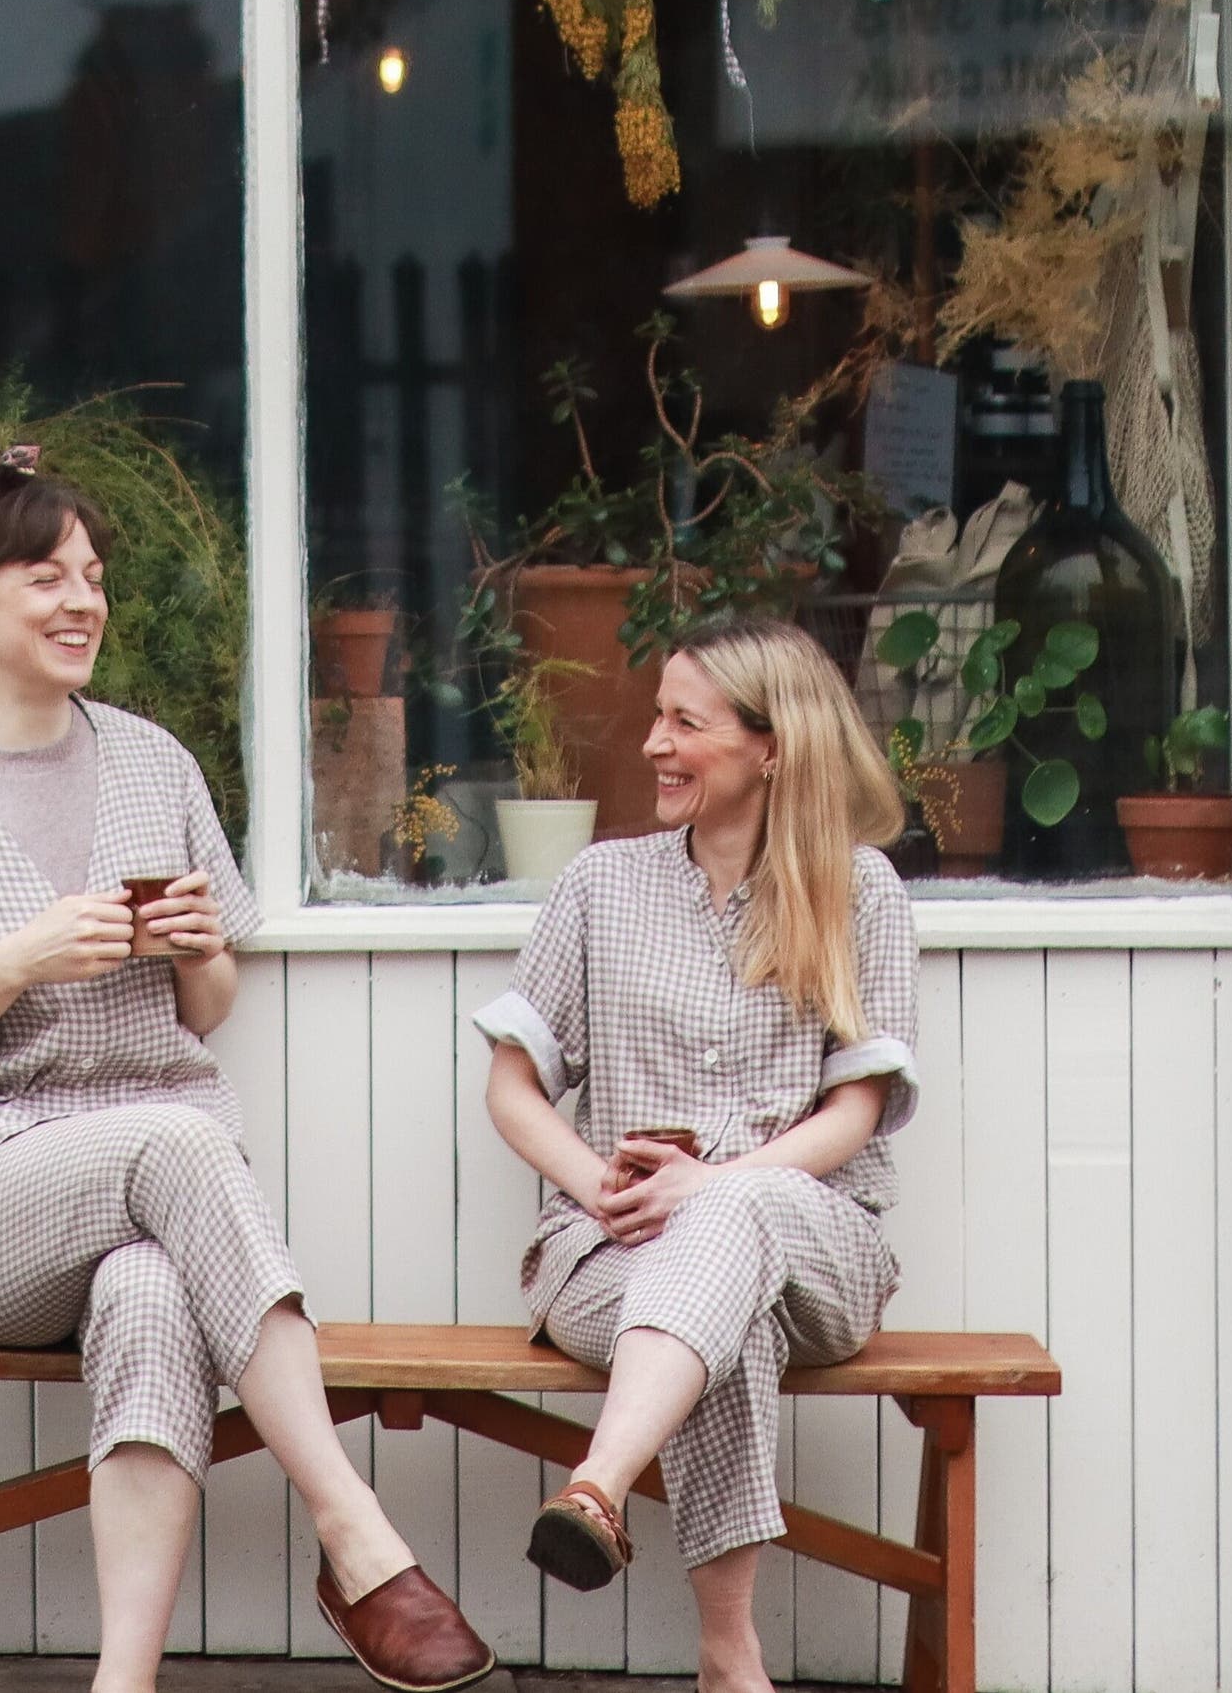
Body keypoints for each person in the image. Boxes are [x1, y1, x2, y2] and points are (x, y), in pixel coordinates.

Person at [0, 448, 494, 1693]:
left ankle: (120, 1684)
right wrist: (13, 961)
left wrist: (193, 950)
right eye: (45, 577)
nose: (84, 601)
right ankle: (353, 1525)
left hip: (149, 1196)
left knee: (147, 1296)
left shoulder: (153, 761)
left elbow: (212, 1003)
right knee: (180, 1140)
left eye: (94, 575)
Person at [471, 615, 921, 1693]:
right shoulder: (601, 884)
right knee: (727, 1308)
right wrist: (596, 1187)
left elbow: (856, 1110)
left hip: (815, 1245)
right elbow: (510, 1085)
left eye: (685, 722)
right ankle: (731, 1654)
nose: (653, 746)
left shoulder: (860, 891)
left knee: (732, 1224)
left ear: (771, 745)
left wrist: (712, 1185)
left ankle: (598, 1482)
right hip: (610, 1255)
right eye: (656, 718)